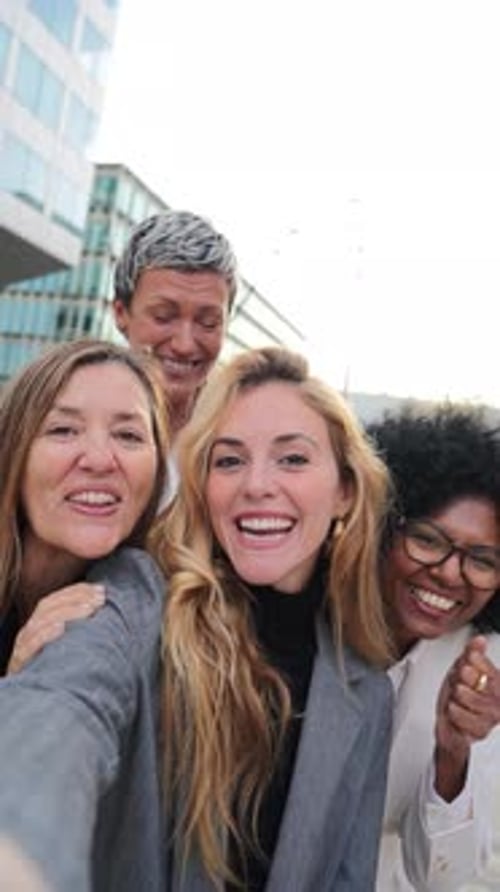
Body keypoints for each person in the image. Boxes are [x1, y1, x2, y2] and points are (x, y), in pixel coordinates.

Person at [0, 346, 393, 892]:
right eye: (229, 460)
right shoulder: (139, 598)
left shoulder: (366, 691)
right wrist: (18, 845)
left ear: (346, 490)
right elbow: (66, 709)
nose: (257, 485)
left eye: (293, 459)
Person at [367, 406, 500, 891]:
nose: (449, 572)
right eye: (427, 539)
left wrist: (453, 755)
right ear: (383, 526)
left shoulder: (481, 671)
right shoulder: (310, 621)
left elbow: (444, 878)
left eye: (482, 560)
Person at [0, 338, 168, 674]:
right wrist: (17, 683)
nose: (99, 460)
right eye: (63, 430)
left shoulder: (158, 607)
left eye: (128, 435)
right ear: (12, 450)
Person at [113, 208, 238, 435]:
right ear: (121, 313)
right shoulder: (66, 425)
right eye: (163, 317)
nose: (184, 345)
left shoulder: (247, 434)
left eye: (208, 323)